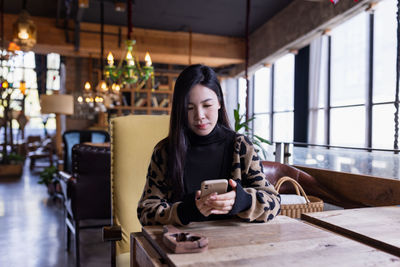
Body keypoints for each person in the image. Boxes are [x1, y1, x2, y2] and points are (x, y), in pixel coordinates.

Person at [137, 64, 280, 226]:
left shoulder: (240, 147)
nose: (199, 116)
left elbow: (274, 201)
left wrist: (243, 201)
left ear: (219, 102)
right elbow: (145, 211)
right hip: (183, 243)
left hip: (236, 243)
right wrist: (185, 211)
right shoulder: (165, 152)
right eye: (189, 108)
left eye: (207, 105)